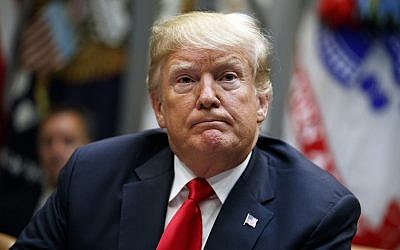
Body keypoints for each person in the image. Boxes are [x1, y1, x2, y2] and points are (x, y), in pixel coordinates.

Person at [11, 11, 360, 249]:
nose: (208, 97)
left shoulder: (317, 213)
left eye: (228, 77)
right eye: (185, 80)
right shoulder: (91, 174)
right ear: (159, 108)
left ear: (262, 102)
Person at [35, 105, 92, 210]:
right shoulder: (12, 208)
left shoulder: (107, 208)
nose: (56, 151)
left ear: (90, 145)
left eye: (68, 140)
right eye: (48, 141)